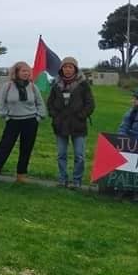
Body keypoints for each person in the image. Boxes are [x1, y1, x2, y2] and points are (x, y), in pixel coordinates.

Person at [0, 61, 46, 183]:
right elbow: (1, 102)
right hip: (13, 121)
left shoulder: (33, 87)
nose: (26, 73)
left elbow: (40, 103)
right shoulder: (8, 86)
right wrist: (4, 116)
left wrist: (39, 117)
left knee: (26, 148)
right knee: (5, 145)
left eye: (28, 71)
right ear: (16, 72)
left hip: (30, 121)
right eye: (23, 71)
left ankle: (21, 175)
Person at [46, 56, 95, 189]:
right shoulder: (56, 84)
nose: (67, 69)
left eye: (70, 67)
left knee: (79, 155)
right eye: (65, 67)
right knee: (61, 154)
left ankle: (77, 180)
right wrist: (54, 115)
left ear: (75, 69)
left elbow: (90, 104)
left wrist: (81, 116)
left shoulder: (83, 84)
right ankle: (62, 179)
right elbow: (50, 103)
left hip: (78, 124)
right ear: (61, 69)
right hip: (60, 124)